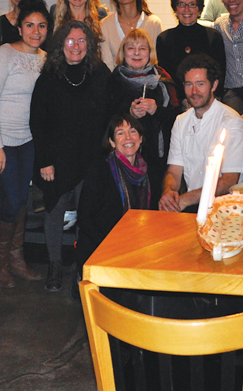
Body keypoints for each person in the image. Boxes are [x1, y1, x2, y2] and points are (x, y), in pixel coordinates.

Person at [30, 21, 110, 292]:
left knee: (87, 215)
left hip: (91, 157)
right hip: (57, 158)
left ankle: (82, 268)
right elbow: (37, 122)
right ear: (60, 45)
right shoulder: (49, 77)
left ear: (89, 45)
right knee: (54, 210)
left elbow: (112, 112)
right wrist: (44, 160)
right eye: (70, 41)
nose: (75, 46)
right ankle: (54, 266)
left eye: (81, 41)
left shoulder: (100, 73)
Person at [0, 0, 50, 288]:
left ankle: (17, 261)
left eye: (42, 25)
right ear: (19, 27)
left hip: (28, 139)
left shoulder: (46, 58)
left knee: (22, 201)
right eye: (30, 25)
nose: (36, 31)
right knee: (10, 201)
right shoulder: (4, 54)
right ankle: (0, 265)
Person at [159, 54, 243, 213]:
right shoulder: (181, 121)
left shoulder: (232, 122)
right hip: (194, 206)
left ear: (213, 85)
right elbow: (174, 171)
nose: (194, 91)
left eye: (200, 84)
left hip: (229, 209)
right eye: (189, 84)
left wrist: (185, 199)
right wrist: (169, 192)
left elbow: (229, 181)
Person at [108, 28, 180, 204]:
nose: (137, 53)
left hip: (159, 159)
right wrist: (129, 113)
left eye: (143, 48)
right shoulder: (113, 80)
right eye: (131, 48)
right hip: (124, 158)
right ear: (123, 52)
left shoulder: (164, 80)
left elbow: (178, 118)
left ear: (150, 52)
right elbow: (105, 118)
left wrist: (157, 110)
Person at [76, 114, 150, 275]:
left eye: (132, 131)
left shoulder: (150, 172)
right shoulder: (99, 170)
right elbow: (85, 218)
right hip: (101, 248)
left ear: (141, 138)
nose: (128, 137)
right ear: (111, 141)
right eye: (120, 133)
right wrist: (112, 247)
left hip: (137, 248)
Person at [156, 0, 226, 99]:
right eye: (182, 4)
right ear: (175, 9)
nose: (187, 9)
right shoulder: (164, 39)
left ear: (199, 10)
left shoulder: (213, 36)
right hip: (177, 102)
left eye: (192, 4)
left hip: (208, 100)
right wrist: (183, 101)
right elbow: (166, 79)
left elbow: (219, 74)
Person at [100, 0, 162, 70]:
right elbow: (107, 66)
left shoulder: (154, 23)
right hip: (117, 84)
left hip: (148, 83)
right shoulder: (105, 25)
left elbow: (156, 62)